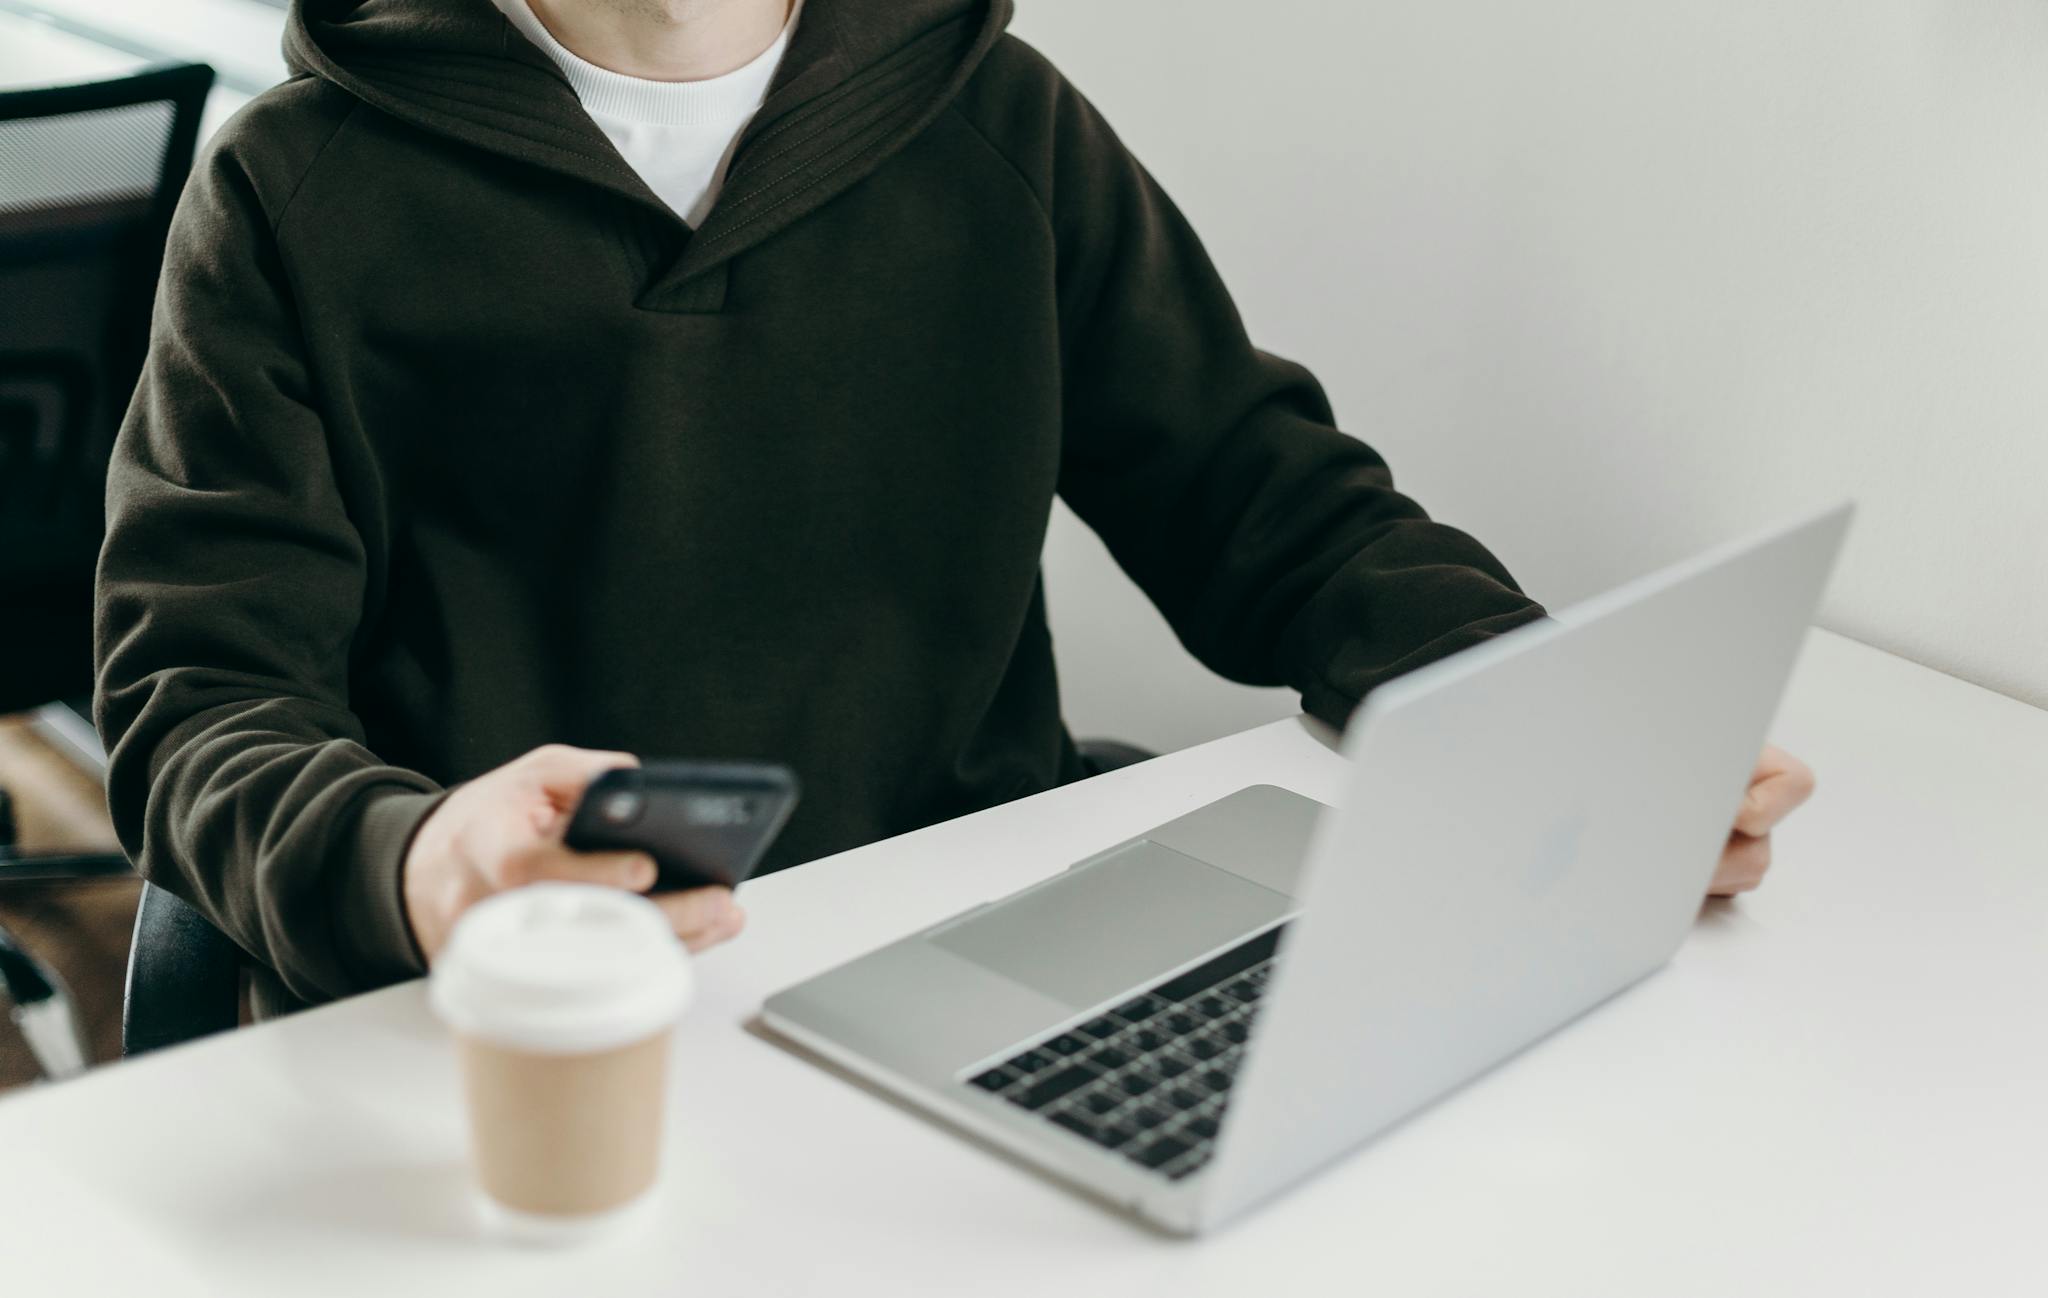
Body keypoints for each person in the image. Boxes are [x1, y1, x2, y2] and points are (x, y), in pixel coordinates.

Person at [94, 0, 1813, 1018]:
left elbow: (1273, 508)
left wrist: (1559, 729)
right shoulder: (293, 196)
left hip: (963, 945)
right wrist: (412, 858)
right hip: (547, 1008)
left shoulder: (995, 123)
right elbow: (198, 706)